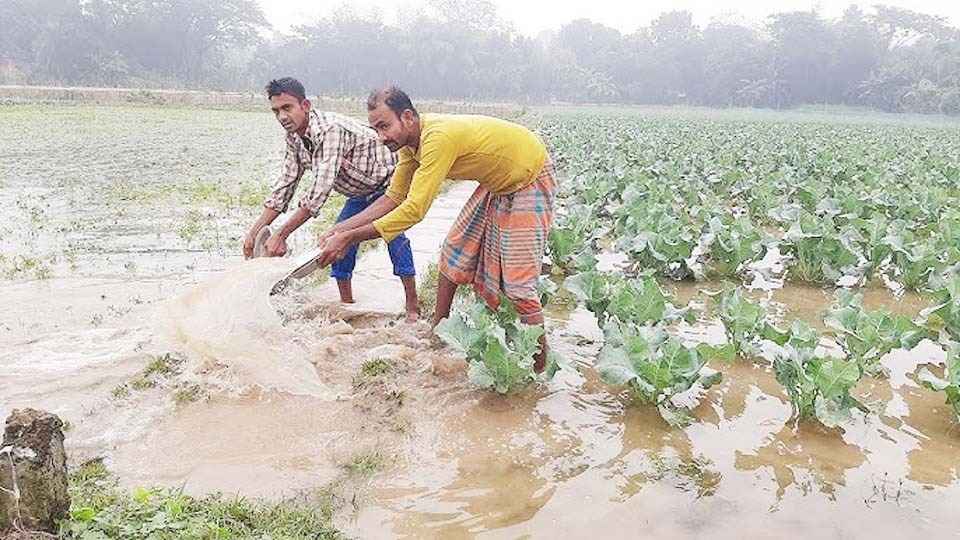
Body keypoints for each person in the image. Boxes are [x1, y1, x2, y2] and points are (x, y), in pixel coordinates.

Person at [316, 86, 557, 370]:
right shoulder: (409, 146)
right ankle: (437, 330)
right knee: (454, 252)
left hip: (528, 177)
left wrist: (350, 237)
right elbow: (393, 197)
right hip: (497, 184)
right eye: (375, 129)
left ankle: (540, 369)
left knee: (519, 286)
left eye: (385, 126)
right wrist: (340, 229)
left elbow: (414, 209)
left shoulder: (436, 138)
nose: (381, 137)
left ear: (407, 117)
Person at [243, 78, 419, 321]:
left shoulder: (330, 130)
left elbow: (319, 192)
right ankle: (347, 305)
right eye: (276, 111)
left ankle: (412, 306)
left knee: (394, 237)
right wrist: (255, 231)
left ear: (305, 105)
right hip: (358, 193)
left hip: (387, 186)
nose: (282, 116)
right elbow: (285, 185)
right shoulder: (294, 138)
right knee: (338, 246)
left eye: (287, 108)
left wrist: (281, 234)